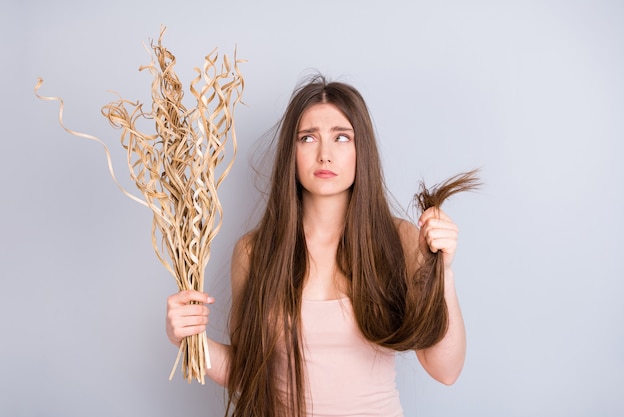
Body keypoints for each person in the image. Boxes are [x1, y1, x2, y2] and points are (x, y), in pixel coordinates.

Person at [166, 76, 467, 417]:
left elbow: (445, 370)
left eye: (341, 137)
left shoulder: (401, 241)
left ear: (361, 150)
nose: (325, 155)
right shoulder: (254, 252)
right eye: (308, 138)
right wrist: (190, 340)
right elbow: (247, 372)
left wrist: (443, 272)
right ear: (290, 153)